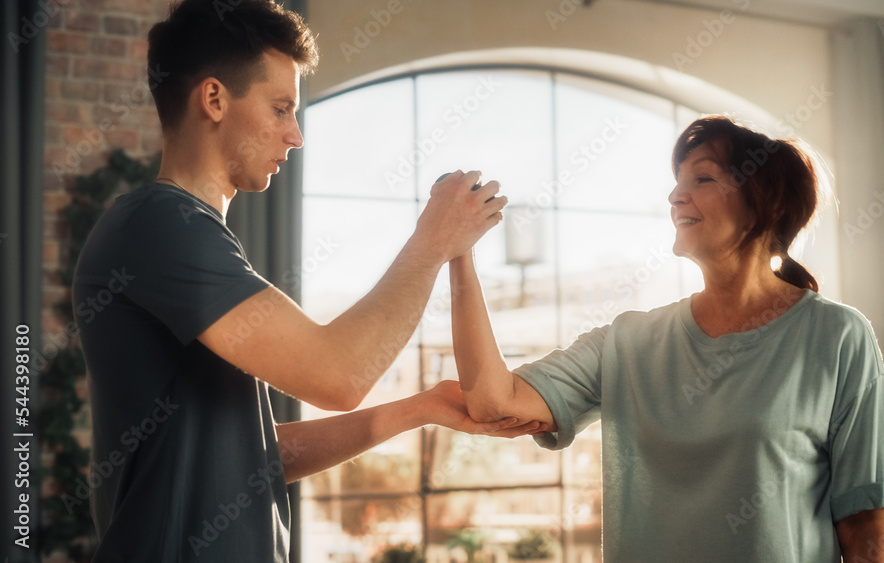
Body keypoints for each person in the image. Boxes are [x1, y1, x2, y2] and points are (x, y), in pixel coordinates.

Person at [71, 0, 537, 560]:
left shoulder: (190, 237)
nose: (295, 135)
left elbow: (258, 458)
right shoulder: (159, 227)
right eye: (280, 108)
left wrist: (419, 408)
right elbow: (338, 375)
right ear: (214, 99)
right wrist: (434, 240)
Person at [450, 115, 884, 562]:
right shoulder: (628, 343)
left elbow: (866, 522)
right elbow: (494, 401)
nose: (675, 195)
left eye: (702, 180)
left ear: (763, 201)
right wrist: (459, 255)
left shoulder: (835, 336)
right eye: (678, 181)